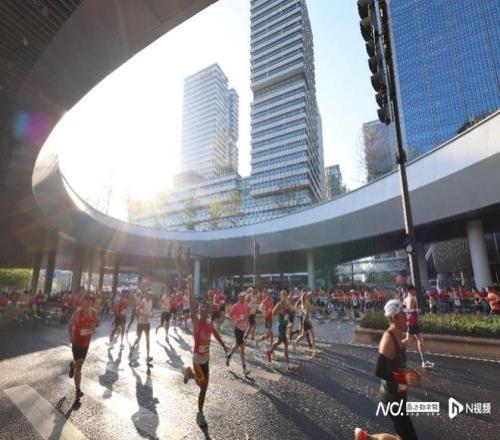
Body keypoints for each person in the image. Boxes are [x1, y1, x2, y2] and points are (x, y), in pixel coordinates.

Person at [183, 276, 227, 428]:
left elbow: (216, 335)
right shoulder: (196, 322)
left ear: (208, 312)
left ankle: (190, 375)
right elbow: (192, 305)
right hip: (197, 359)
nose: (203, 312)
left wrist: (224, 346)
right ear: (199, 312)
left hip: (206, 359)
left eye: (205, 310)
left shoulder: (209, 324)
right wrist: (189, 288)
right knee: (202, 385)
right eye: (201, 310)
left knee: (204, 386)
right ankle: (200, 415)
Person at [375, 299, 421, 440]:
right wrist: (403, 377)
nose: (407, 318)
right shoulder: (388, 339)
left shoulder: (398, 335)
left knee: (402, 436)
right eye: (403, 315)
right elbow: (379, 371)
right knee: (410, 437)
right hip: (391, 398)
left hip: (399, 395)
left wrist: (410, 371)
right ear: (394, 318)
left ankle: (366, 437)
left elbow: (397, 363)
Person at [68, 293, 101, 401]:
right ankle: (78, 390)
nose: (88, 303)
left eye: (90, 301)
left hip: (86, 343)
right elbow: (70, 325)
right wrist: (71, 336)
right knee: (80, 364)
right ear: (83, 301)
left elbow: (98, 323)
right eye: (86, 301)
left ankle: (72, 366)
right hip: (77, 342)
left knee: (79, 364)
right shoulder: (78, 313)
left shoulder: (94, 312)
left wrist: (95, 324)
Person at [403, 285, 434, 368]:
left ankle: (424, 361)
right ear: (410, 291)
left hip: (413, 322)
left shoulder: (405, 299)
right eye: (414, 290)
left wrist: (417, 317)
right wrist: (416, 310)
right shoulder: (412, 298)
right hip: (412, 322)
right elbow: (409, 310)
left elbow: (404, 309)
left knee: (420, 340)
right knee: (408, 340)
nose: (415, 291)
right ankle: (396, 349)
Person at [266, 290, 296, 372]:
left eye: (285, 295)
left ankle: (269, 352)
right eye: (283, 295)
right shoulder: (279, 304)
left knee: (278, 342)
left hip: (285, 325)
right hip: (281, 327)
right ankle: (288, 365)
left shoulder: (287, 304)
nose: (284, 297)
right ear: (281, 296)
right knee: (286, 344)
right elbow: (273, 312)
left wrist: (290, 323)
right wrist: (280, 312)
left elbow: (290, 313)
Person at [226, 292, 251, 375]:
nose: (242, 298)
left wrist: (246, 316)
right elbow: (230, 315)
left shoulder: (246, 305)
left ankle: (229, 356)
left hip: (243, 328)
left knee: (237, 345)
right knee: (242, 348)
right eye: (241, 297)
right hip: (237, 328)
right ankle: (244, 368)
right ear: (238, 297)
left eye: (243, 297)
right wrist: (237, 318)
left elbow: (248, 313)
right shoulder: (235, 306)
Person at [130, 289, 153, 363]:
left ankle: (148, 356)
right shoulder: (143, 302)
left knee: (147, 339)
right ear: (146, 295)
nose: (150, 296)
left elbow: (150, 310)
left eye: (151, 295)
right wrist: (144, 314)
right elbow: (137, 310)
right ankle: (132, 348)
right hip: (141, 323)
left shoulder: (151, 302)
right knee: (138, 338)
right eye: (148, 295)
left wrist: (151, 314)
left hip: (147, 323)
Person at [293, 290, 316, 358]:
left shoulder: (304, 301)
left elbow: (308, 310)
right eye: (308, 295)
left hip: (305, 319)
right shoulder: (305, 301)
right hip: (306, 320)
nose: (310, 296)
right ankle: (313, 352)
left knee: (303, 335)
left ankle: (295, 343)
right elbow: (308, 310)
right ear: (306, 296)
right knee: (312, 336)